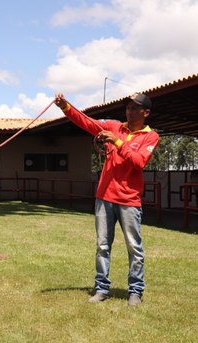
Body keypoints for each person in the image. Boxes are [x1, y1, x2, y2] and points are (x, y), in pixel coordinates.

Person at [54, 92, 160, 306]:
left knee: (134, 247)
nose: (129, 111)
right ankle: (102, 288)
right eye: (128, 107)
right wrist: (66, 107)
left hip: (130, 200)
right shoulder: (113, 125)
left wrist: (119, 142)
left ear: (146, 112)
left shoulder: (151, 137)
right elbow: (87, 122)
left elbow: (139, 162)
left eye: (135, 108)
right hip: (104, 197)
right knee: (102, 245)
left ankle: (135, 291)